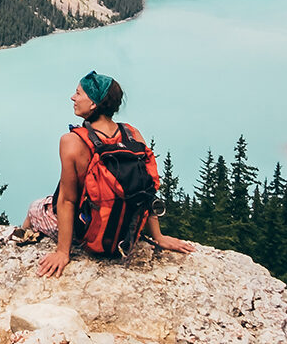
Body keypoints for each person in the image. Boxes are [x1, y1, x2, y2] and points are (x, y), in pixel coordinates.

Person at [23, 70, 194, 276]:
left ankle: (22, 239)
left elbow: (68, 201)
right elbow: (145, 190)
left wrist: (62, 252)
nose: (73, 97)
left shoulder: (72, 142)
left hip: (88, 234)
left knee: (35, 208)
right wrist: (158, 236)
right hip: (126, 231)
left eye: (78, 93)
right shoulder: (132, 134)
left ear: (93, 103)